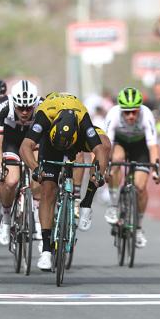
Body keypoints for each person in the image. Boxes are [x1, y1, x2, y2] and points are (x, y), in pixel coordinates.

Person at [19, 92, 110, 271]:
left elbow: (99, 149)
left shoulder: (82, 117)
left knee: (105, 144)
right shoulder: (44, 115)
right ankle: (46, 249)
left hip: (77, 138)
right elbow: (25, 147)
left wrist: (98, 173)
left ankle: (85, 203)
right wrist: (35, 168)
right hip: (51, 142)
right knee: (48, 190)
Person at [104, 87, 160, 248]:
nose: (131, 116)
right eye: (127, 112)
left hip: (140, 146)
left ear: (140, 110)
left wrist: (156, 169)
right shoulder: (113, 114)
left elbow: (153, 146)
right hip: (120, 144)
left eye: (134, 112)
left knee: (140, 187)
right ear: (121, 110)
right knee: (115, 160)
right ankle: (114, 205)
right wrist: (103, 167)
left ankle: (138, 227)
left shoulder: (147, 115)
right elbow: (105, 144)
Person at [0, 80, 41, 246]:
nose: (25, 112)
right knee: (11, 180)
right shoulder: (3, 107)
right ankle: (6, 218)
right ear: (14, 103)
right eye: (21, 108)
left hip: (33, 140)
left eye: (29, 108)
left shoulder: (42, 107)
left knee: (39, 174)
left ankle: (37, 218)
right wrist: (0, 167)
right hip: (11, 140)